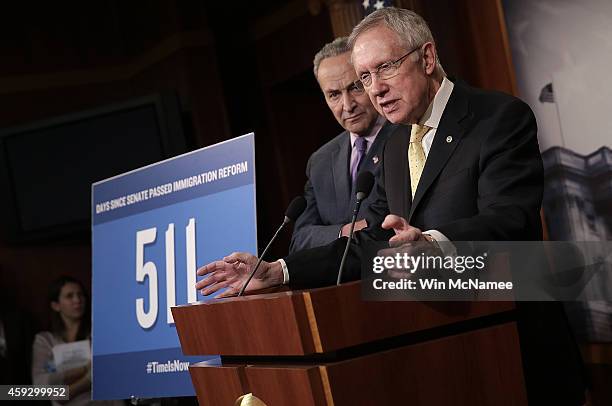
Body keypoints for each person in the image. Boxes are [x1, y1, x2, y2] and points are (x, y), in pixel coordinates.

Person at [196, 8, 586, 405]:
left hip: (515, 354)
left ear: (428, 58)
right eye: (365, 76)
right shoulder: (395, 144)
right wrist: (279, 271)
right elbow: (368, 244)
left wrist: (433, 245)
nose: (374, 89)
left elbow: (511, 222)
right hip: (440, 360)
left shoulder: (498, 117)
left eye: (385, 68)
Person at [289, 36, 407, 253]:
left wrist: (328, 233)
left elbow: (388, 224)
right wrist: (344, 232)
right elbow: (300, 238)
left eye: (355, 87)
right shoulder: (320, 161)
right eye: (334, 95)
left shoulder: (406, 136)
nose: (347, 105)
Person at [32, 276, 123, 406]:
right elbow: (40, 386)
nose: (77, 300)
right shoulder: (45, 340)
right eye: (69, 296)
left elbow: (113, 379)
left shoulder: (100, 334)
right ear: (56, 305)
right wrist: (85, 373)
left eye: (80, 295)